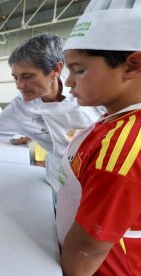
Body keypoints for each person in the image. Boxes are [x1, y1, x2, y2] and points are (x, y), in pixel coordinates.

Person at [0, 33, 104, 204]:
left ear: (56, 70)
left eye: (27, 76)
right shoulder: (20, 107)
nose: (19, 85)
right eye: (15, 78)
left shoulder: (89, 90)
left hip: (102, 171)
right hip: (60, 173)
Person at [56, 1, 141, 274]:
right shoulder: (112, 121)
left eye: (79, 70)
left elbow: (87, 248)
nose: (69, 81)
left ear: (132, 66)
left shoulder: (124, 145)